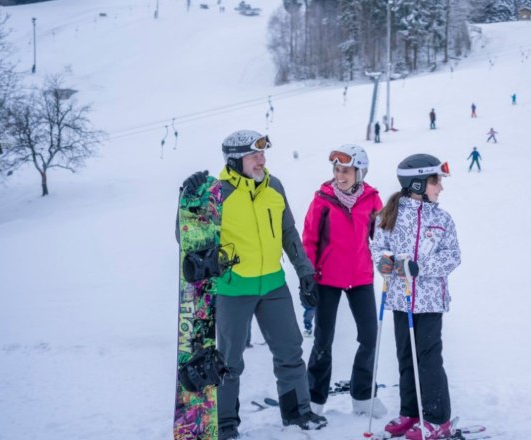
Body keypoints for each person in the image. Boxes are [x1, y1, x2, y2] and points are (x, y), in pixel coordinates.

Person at [180, 130, 327, 439]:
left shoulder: (274, 186)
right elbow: (187, 238)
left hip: (273, 285)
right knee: (229, 362)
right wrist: (188, 201)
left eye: (262, 154)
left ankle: (297, 412)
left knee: (290, 352)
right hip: (234, 288)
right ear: (235, 161)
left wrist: (305, 272)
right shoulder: (216, 194)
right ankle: (225, 425)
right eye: (253, 155)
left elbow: (289, 232)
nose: (262, 160)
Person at [371, 154, 461, 440]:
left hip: (430, 300)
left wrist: (419, 268)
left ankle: (438, 419)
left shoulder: (442, 218)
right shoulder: (390, 215)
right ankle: (411, 411)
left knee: (428, 358)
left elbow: (453, 256)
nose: (441, 188)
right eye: (436, 181)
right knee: (406, 356)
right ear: (419, 184)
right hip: (400, 298)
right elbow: (378, 248)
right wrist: (386, 262)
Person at [302, 144, 387, 418]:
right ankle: (314, 400)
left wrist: (389, 257)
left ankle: (363, 397)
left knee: (370, 337)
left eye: (346, 170)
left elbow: (382, 236)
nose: (340, 175)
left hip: (361, 277)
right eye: (337, 170)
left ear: (359, 172)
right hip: (327, 279)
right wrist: (308, 277)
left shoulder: (372, 199)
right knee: (323, 341)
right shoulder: (322, 200)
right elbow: (310, 240)